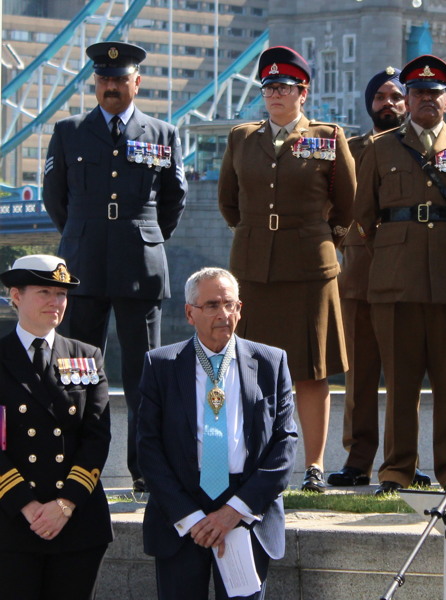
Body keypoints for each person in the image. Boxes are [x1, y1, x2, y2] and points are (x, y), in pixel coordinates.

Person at [43, 41, 188, 493]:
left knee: (144, 373)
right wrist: (84, 233)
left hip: (139, 264)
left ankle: (145, 469)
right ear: (94, 82)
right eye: (104, 79)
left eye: (120, 79)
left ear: (136, 83)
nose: (111, 86)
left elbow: (173, 200)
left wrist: (139, 233)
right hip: (83, 263)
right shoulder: (68, 131)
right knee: (77, 370)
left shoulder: (162, 134)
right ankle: (77, 466)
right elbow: (55, 197)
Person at [218, 46, 356, 493]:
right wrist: (258, 232)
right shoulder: (242, 137)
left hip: (309, 268)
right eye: (269, 87)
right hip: (253, 267)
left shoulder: (328, 137)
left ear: (303, 92)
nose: (276, 94)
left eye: (285, 87)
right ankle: (254, 457)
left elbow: (348, 203)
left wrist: (320, 240)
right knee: (247, 367)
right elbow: (229, 202)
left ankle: (313, 465)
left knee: (311, 370)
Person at [354, 54, 446, 495]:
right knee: (401, 380)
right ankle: (397, 470)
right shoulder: (379, 148)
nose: (426, 99)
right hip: (396, 277)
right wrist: (397, 251)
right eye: (417, 93)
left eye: (434, 93)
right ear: (407, 100)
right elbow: (365, 216)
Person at [137, 267, 298, 599]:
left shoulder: (271, 362)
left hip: (247, 508)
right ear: (189, 314)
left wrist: (233, 511)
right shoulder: (160, 365)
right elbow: (148, 448)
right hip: (181, 511)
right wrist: (193, 518)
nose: (224, 314)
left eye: (231, 304)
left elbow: (284, 445)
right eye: (212, 305)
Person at [328, 67, 430, 488]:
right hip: (359, 277)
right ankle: (358, 460)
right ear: (369, 104)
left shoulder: (420, 147)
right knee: (361, 376)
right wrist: (344, 243)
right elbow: (332, 207)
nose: (388, 104)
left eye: (395, 97)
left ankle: (401, 462)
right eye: (380, 97)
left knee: (404, 375)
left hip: (404, 276)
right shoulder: (349, 150)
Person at [0, 255, 113, 600]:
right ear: (16, 296)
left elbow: (97, 437)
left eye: (62, 294)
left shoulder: (86, 356)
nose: (56, 302)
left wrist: (64, 505)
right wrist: (28, 506)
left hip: (76, 520)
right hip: (11, 519)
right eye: (45, 292)